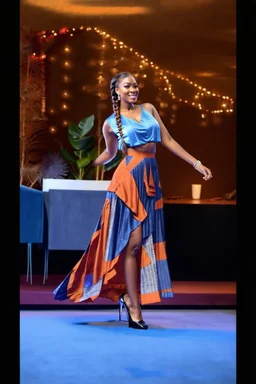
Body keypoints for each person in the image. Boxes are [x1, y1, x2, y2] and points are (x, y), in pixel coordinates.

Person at [53, 72, 213, 330]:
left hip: (150, 178)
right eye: (128, 85)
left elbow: (168, 140)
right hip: (127, 180)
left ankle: (128, 298)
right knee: (134, 243)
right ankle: (133, 305)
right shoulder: (109, 123)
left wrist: (196, 163)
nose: (134, 89)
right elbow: (111, 153)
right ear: (116, 90)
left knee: (140, 244)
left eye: (136, 85)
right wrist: (91, 162)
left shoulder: (148, 108)